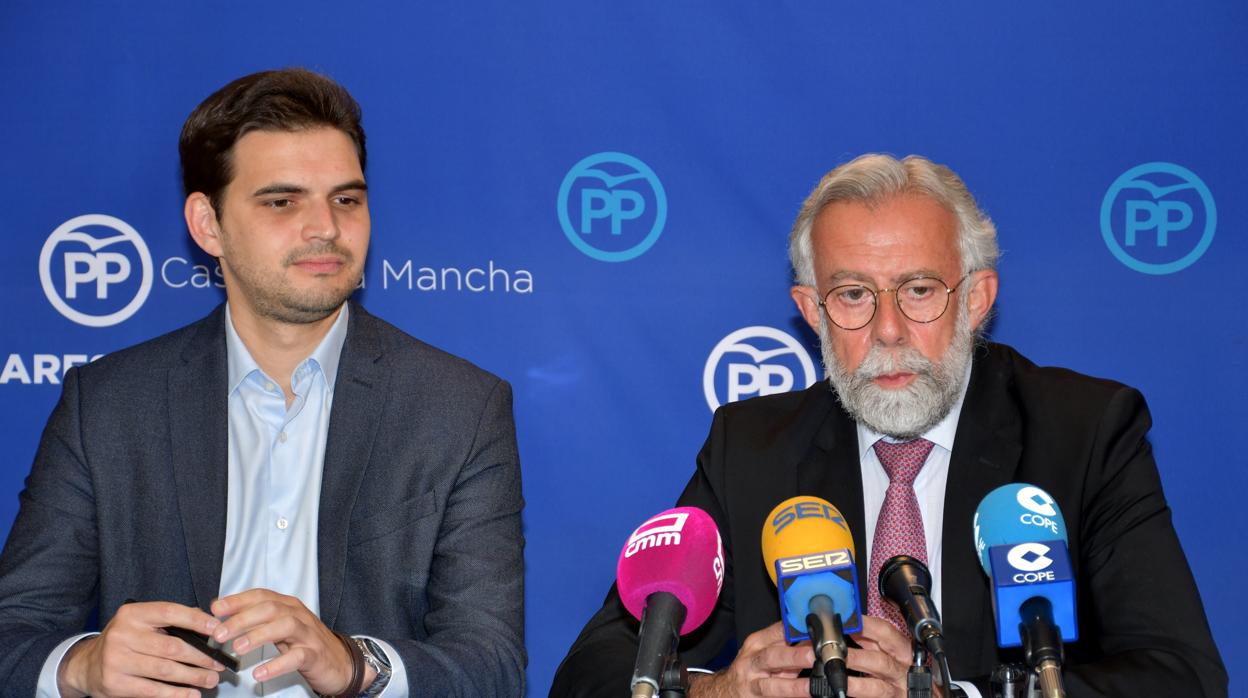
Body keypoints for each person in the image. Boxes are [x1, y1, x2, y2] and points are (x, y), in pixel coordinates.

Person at [550, 154, 1225, 697]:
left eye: (921, 290)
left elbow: (1181, 676)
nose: (889, 330)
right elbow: (595, 669)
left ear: (978, 301)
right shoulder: (751, 448)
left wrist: (952, 696)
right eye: (852, 296)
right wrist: (715, 693)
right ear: (811, 312)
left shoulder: (1082, 434)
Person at [0, 68, 525, 697]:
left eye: (346, 199)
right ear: (207, 225)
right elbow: (15, 631)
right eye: (282, 201)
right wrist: (83, 665)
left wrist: (358, 665)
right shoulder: (108, 404)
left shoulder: (459, 408)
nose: (325, 228)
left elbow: (492, 665)